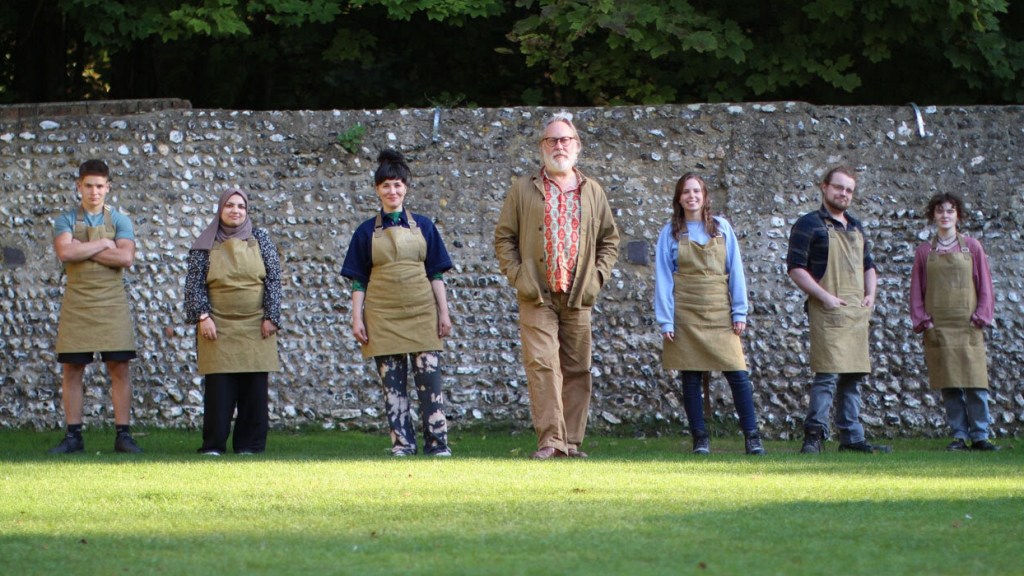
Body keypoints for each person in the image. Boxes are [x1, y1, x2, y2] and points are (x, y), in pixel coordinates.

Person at [494, 111, 620, 460]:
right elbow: (504, 238)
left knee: (577, 368)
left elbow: (610, 240)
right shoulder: (523, 188)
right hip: (537, 295)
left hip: (579, 295)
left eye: (566, 140)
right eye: (552, 140)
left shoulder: (592, 190)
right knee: (543, 364)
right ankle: (551, 441)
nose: (559, 145)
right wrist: (519, 277)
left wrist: (596, 279)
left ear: (577, 146)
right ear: (542, 147)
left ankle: (572, 442)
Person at [341, 149, 454, 457]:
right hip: (382, 314)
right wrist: (357, 318)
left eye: (398, 185)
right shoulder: (365, 232)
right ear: (377, 190)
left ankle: (438, 445)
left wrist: (443, 313)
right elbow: (358, 280)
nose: (392, 191)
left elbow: (436, 274)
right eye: (386, 186)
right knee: (393, 386)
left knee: (430, 381)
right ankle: (402, 445)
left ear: (406, 187)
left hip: (421, 311)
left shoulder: (426, 227)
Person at [654, 173, 766, 455]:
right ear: (679, 198)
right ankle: (700, 438)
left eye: (696, 191)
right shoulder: (670, 233)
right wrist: (666, 319)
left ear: (704, 196)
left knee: (737, 373)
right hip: (685, 312)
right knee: (690, 376)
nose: (691, 196)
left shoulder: (722, 228)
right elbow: (664, 278)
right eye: (686, 192)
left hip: (719, 311)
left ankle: (752, 437)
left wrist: (740, 312)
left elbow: (736, 271)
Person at [787, 166, 891, 454]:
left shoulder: (856, 227)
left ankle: (852, 438)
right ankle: (814, 437)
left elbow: (869, 266)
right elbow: (795, 269)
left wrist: (871, 295)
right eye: (839, 187)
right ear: (824, 187)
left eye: (849, 190)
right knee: (828, 375)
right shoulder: (808, 224)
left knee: (853, 377)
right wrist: (824, 296)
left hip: (856, 312)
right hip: (827, 309)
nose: (844, 193)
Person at [49, 159, 142, 454]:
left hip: (112, 303)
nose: (94, 191)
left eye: (99, 186)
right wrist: (104, 245)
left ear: (108, 188)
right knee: (72, 369)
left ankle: (123, 436)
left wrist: (83, 249)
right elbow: (65, 252)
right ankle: (74, 437)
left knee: (119, 367)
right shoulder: (64, 220)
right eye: (88, 185)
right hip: (77, 303)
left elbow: (126, 259)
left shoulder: (121, 221)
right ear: (79, 186)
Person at [185, 188, 282, 455]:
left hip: (256, 324)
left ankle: (249, 445)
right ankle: (213, 445)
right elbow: (194, 285)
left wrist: (271, 316)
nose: (235, 210)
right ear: (220, 209)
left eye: (241, 206)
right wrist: (203, 316)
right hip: (218, 324)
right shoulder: (205, 243)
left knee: (254, 389)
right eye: (229, 205)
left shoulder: (261, 239)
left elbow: (273, 278)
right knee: (220, 389)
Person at [910, 192, 999, 451]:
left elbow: (984, 285)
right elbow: (917, 290)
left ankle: (980, 434)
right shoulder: (924, 252)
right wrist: (923, 321)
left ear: (958, 215)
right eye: (940, 211)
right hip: (939, 327)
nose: (945, 215)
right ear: (933, 216)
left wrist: (981, 316)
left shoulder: (972, 247)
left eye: (950, 211)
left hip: (968, 325)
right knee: (949, 383)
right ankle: (959, 435)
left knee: (975, 381)